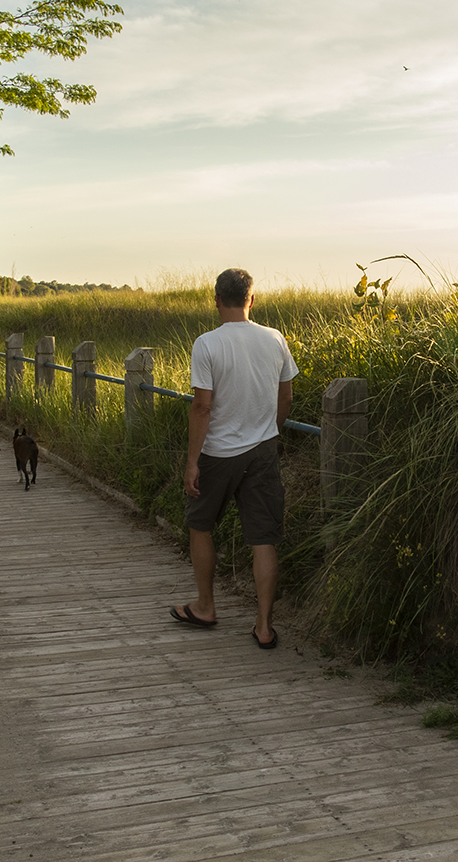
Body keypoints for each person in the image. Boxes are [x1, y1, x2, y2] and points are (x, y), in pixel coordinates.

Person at [172, 269, 298, 650]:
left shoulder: (207, 344)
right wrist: (268, 432)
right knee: (263, 538)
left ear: (216, 299)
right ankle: (263, 626)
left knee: (200, 524)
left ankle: (206, 606)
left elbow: (202, 406)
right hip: (263, 450)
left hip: (219, 452)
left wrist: (193, 461)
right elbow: (287, 397)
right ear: (251, 299)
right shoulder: (275, 339)